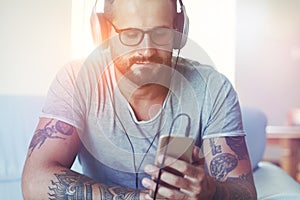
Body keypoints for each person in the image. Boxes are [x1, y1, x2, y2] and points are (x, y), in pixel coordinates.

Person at [22, 0, 257, 199]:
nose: (146, 50)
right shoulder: (76, 79)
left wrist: (210, 191)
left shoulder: (213, 88)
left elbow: (244, 192)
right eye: (130, 34)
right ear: (101, 31)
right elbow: (34, 182)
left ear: (179, 31)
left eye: (162, 33)